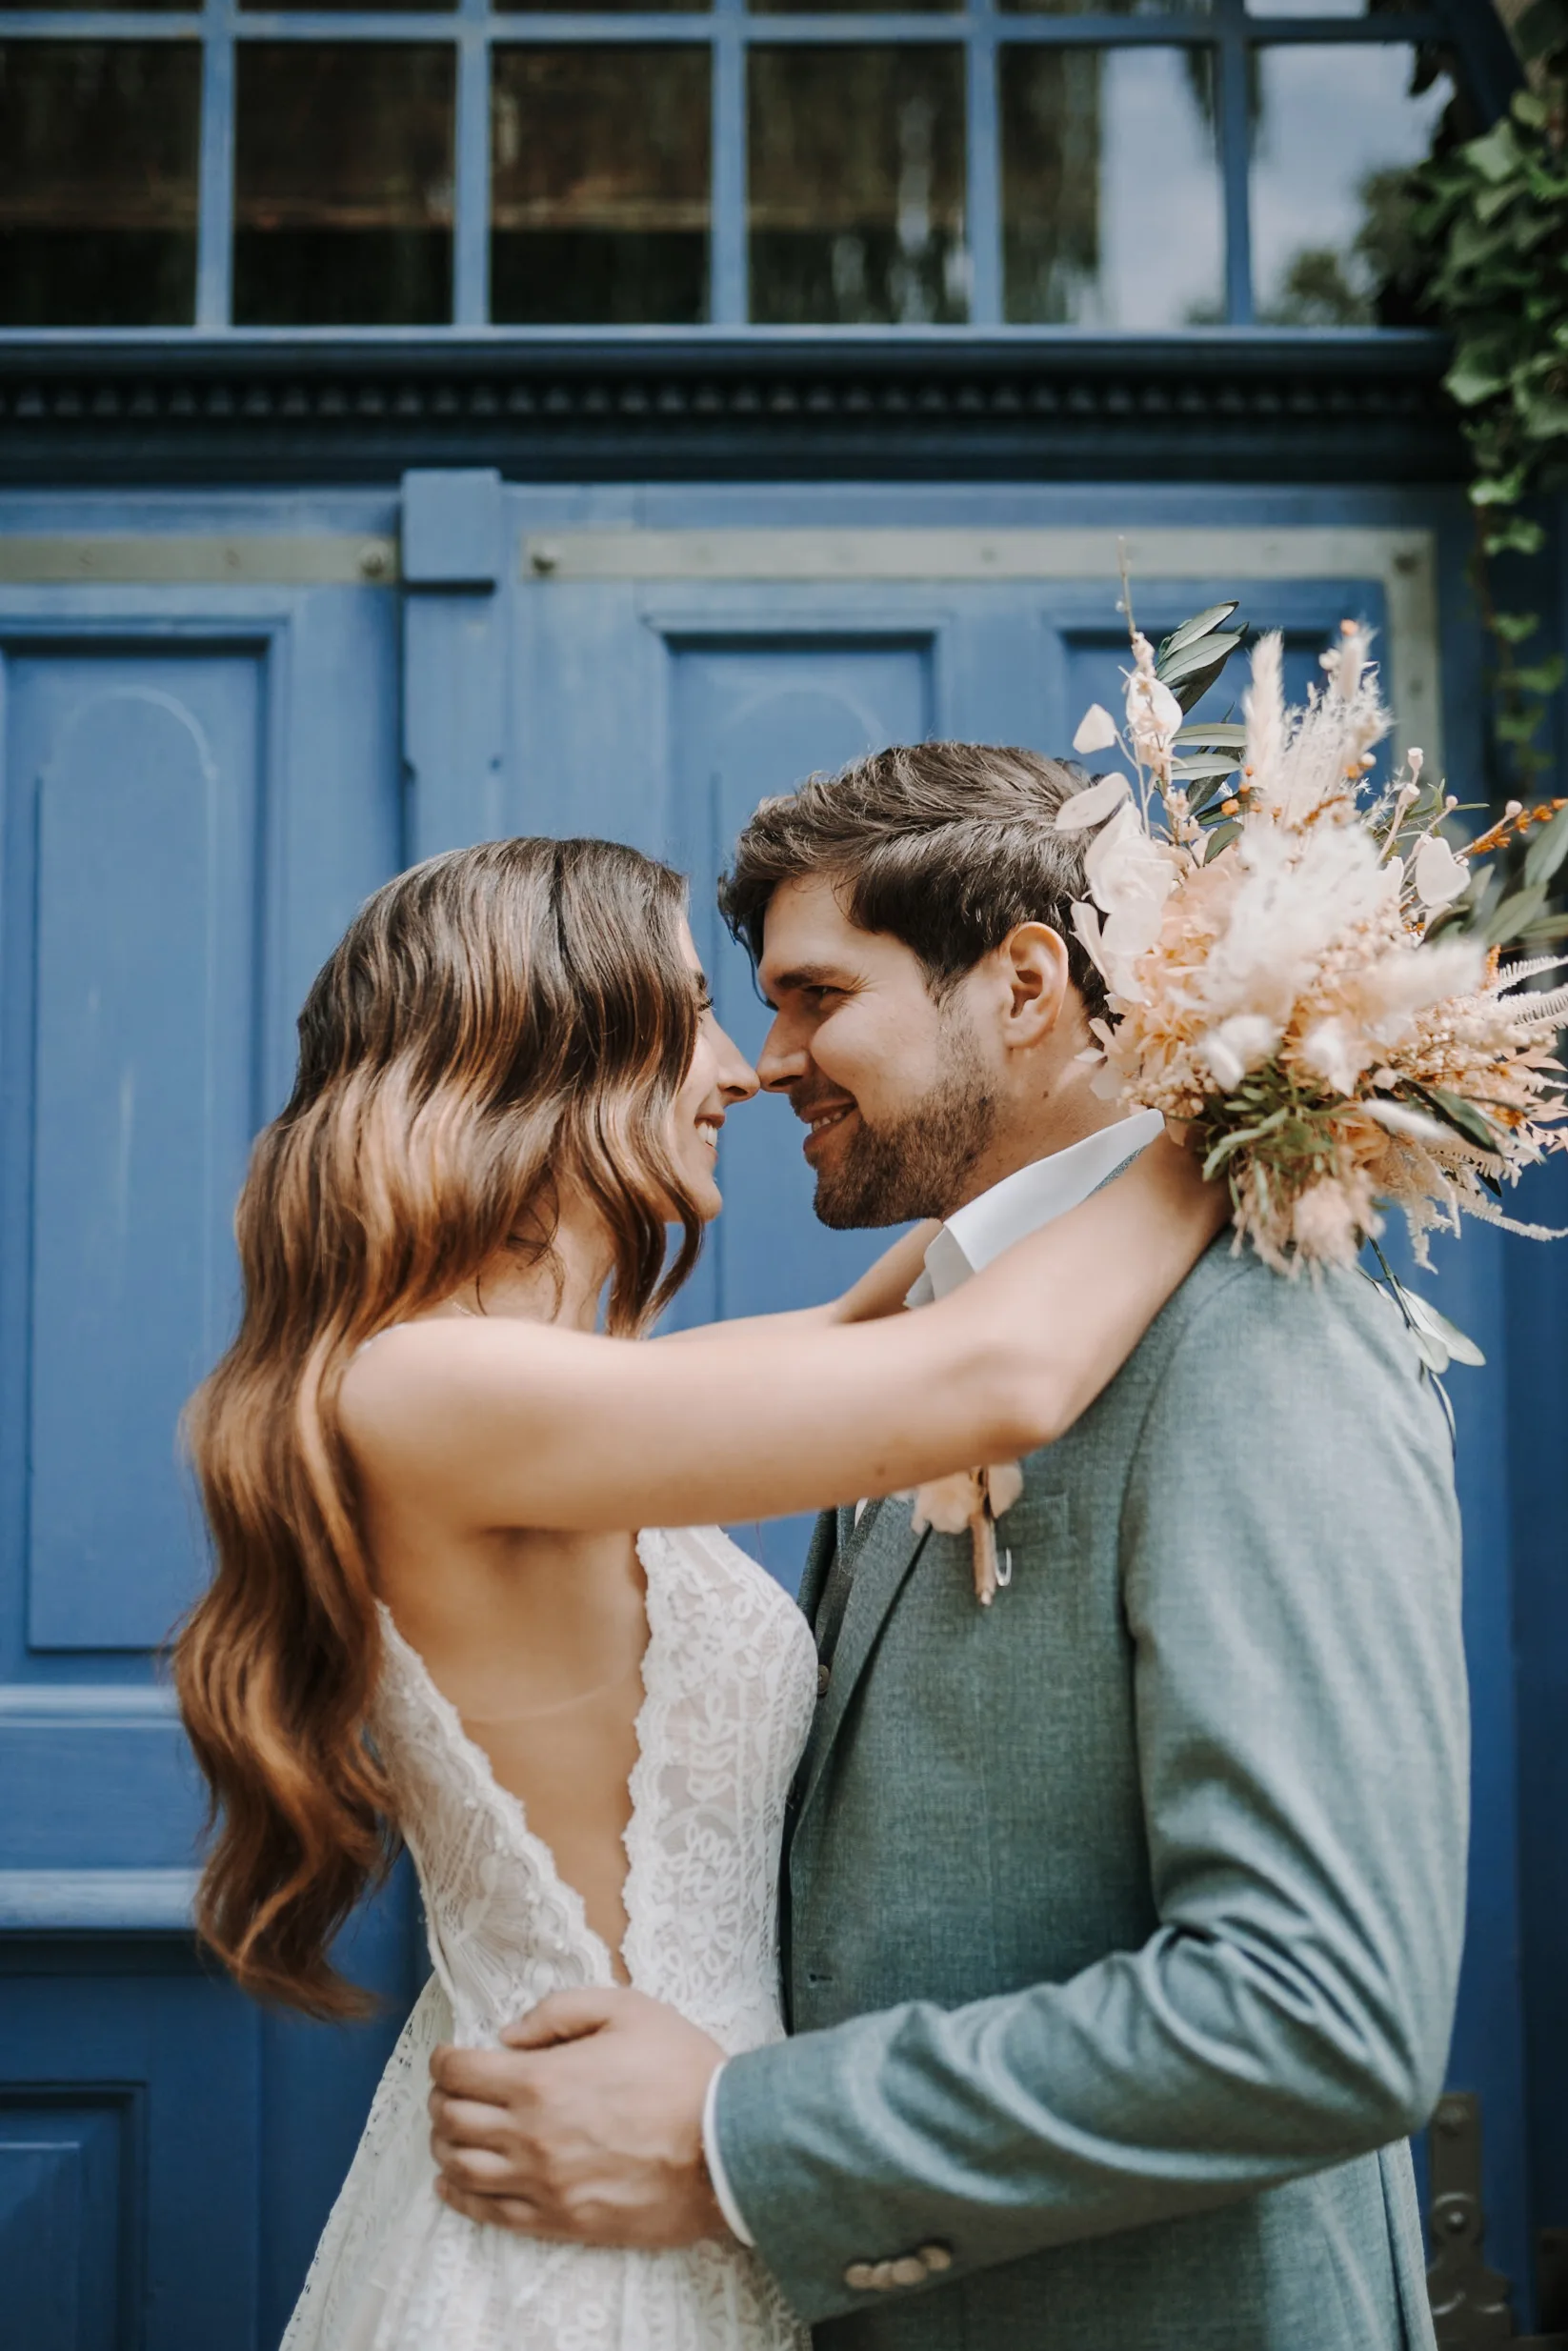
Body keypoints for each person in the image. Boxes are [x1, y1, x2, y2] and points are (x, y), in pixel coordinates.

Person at [428, 749, 1470, 2351]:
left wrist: (746, 2141)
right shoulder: (933, 1341)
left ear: (1026, 983)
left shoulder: (1254, 1340)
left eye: (813, 996)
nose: (769, 1063)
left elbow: (1316, 2016)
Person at [172, 830, 1224, 2351]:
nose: (741, 1070)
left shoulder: (545, 1398)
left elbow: (931, 1286)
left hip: (683, 2166)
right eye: (691, 1012)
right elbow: (1002, 1369)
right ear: (554, 1038)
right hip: (584, 2243)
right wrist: (1265, 1097)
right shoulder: (429, 1391)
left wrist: (1081, 1077)